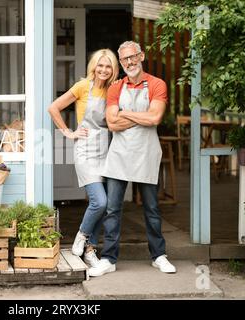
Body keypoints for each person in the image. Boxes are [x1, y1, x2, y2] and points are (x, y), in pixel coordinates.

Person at [88, 41, 177, 277]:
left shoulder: (157, 84)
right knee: (112, 210)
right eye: (125, 59)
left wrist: (125, 113)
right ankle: (108, 258)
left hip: (146, 153)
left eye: (133, 57)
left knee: (152, 209)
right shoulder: (116, 88)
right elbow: (112, 124)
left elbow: (155, 118)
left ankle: (159, 256)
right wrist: (141, 117)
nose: (129, 62)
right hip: (119, 156)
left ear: (141, 56)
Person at [48, 49, 121, 267]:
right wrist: (69, 133)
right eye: (100, 65)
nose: (104, 70)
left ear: (113, 69)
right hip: (86, 151)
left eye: (108, 66)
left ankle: (90, 250)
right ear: (93, 66)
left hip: (107, 151)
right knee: (100, 201)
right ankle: (81, 236)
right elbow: (54, 108)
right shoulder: (82, 86)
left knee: (101, 205)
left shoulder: (113, 90)